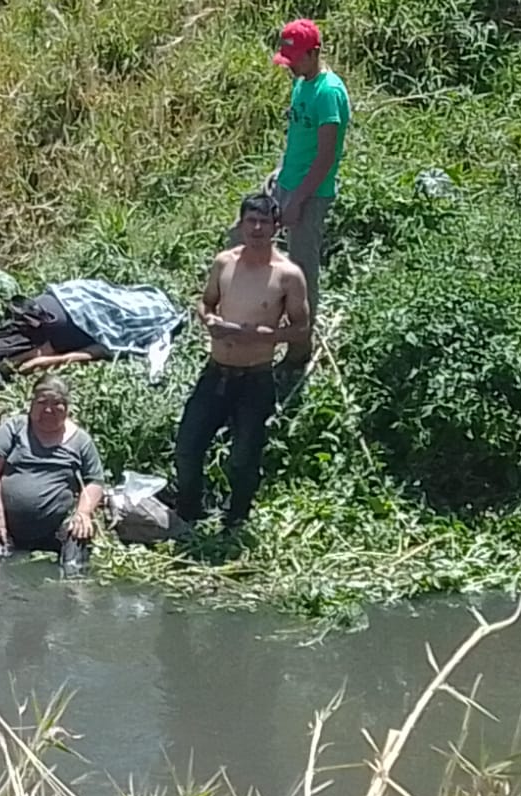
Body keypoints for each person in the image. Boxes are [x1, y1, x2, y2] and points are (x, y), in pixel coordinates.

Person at [176, 193, 310, 528]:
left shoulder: (287, 275)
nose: (257, 227)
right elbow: (205, 303)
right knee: (188, 446)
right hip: (216, 371)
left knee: (244, 457)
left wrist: (265, 336)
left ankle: (236, 520)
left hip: (255, 377)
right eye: (251, 220)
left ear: (276, 227)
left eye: (265, 221)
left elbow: (302, 328)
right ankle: (190, 513)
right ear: (241, 224)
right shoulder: (225, 262)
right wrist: (209, 322)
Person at [229, 18, 350, 377]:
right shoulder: (302, 84)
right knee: (240, 235)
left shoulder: (329, 93)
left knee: (301, 269)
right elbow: (298, 138)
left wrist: (298, 199)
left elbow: (327, 155)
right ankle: (243, 314)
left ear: (315, 53)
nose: (291, 65)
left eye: (296, 58)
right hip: (286, 183)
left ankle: (299, 349)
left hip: (310, 194)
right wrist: (280, 172)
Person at [0, 374, 105, 576]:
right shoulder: (16, 428)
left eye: (57, 404)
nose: (48, 410)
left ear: (67, 408)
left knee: (78, 544)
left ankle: (74, 589)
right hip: (6, 524)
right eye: (42, 402)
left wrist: (83, 513)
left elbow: (95, 481)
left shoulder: (81, 440)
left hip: (56, 529)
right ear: (31, 404)